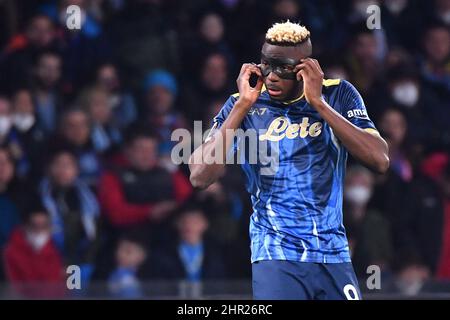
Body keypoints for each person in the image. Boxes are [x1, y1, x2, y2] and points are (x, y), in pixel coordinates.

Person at [189, 21, 389, 300]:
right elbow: (199, 176)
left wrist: (319, 103)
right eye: (266, 64)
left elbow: (379, 159)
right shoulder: (244, 103)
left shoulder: (338, 94)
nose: (270, 76)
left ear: (305, 69)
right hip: (275, 254)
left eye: (282, 67)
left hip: (333, 253)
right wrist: (241, 107)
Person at [98, 128, 192, 234]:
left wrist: (172, 208)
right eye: (141, 149)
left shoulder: (167, 171)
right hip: (127, 237)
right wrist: (149, 212)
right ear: (127, 150)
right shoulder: (112, 175)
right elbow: (115, 213)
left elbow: (187, 199)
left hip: (167, 234)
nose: (147, 155)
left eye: (152, 150)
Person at [38, 149, 100, 276]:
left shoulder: (87, 197)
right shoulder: (38, 197)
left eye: (67, 165)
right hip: (49, 260)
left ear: (76, 169)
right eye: (58, 164)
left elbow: (93, 233)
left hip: (81, 261)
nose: (62, 170)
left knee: (76, 289)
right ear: (49, 168)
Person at [151, 204, 226, 281]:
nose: (189, 225)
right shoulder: (162, 254)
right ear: (176, 223)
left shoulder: (217, 253)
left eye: (195, 221)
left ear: (205, 224)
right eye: (184, 221)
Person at [3, 207, 65, 298]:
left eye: (44, 225)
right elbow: (25, 283)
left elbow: (55, 280)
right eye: (35, 226)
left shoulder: (52, 248)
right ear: (25, 226)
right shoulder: (12, 251)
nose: (40, 231)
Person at [108, 231, 149, 299]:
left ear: (142, 256)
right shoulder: (121, 275)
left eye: (128, 251)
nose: (121, 254)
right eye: (119, 249)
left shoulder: (145, 274)